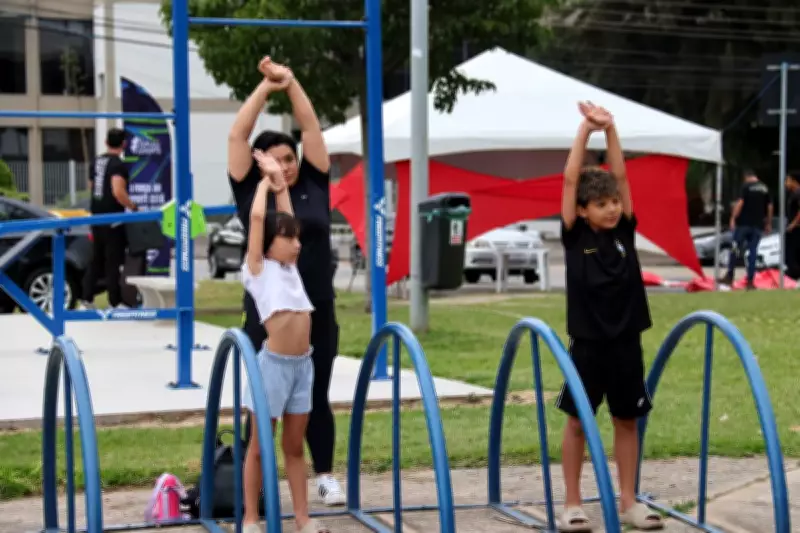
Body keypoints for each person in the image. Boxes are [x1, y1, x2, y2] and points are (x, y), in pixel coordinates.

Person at [228, 56, 345, 506]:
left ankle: (326, 475)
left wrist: (290, 82)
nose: (286, 164)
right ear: (260, 163)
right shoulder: (250, 190)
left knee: (315, 393)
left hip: (315, 308)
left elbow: (311, 127)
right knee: (262, 401)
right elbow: (237, 136)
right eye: (276, 159)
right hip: (269, 314)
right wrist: (265, 88)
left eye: (290, 157)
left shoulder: (314, 183)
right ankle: (254, 491)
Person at [555, 101, 663, 531]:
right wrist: (585, 131)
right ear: (583, 210)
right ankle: (572, 503)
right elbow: (570, 179)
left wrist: (611, 129)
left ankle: (629, 500)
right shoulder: (574, 234)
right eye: (601, 204)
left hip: (626, 341)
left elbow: (621, 175)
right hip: (587, 344)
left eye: (614, 202)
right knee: (578, 423)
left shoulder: (624, 231)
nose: (612, 208)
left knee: (627, 420)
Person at [240, 150, 329, 533]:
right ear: (267, 243)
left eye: (296, 238)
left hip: (302, 366)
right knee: (260, 446)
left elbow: (286, 213)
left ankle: (303, 518)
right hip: (274, 367)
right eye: (287, 238)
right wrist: (264, 183)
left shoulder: (290, 270)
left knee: (294, 447)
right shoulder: (258, 270)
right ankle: (250, 517)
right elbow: (258, 219)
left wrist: (281, 185)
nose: (296, 244)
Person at [81, 128, 138, 309]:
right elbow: (118, 191)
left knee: (97, 259)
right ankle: (115, 302)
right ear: (124, 144)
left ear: (106, 142)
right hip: (113, 220)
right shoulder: (117, 165)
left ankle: (86, 298)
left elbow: (92, 186)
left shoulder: (97, 161)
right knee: (113, 261)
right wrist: (132, 206)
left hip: (96, 217)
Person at [720, 169, 773, 289]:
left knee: (735, 248)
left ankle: (729, 276)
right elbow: (770, 206)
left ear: (746, 177)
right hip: (758, 225)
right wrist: (768, 223)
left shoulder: (746, 186)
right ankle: (750, 281)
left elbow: (740, 203)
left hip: (743, 224)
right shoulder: (764, 188)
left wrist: (733, 218)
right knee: (753, 252)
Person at [785, 172, 800, 280]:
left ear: (794, 181)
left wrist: (793, 224)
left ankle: (794, 274)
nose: (786, 183)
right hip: (793, 228)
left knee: (793, 254)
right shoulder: (793, 194)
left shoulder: (798, 193)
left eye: (787, 180)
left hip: (796, 229)